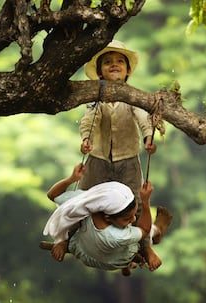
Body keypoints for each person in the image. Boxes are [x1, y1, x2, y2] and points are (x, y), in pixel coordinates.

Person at [79, 40, 161, 265]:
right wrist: (86, 139)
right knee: (82, 197)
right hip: (98, 158)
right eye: (107, 62)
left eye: (118, 62)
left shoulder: (132, 96)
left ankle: (146, 248)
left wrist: (149, 138)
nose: (113, 65)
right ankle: (66, 237)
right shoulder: (95, 97)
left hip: (128, 161)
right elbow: (89, 120)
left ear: (128, 71)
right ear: (99, 72)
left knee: (138, 202)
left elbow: (143, 118)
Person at [40, 163, 172, 274]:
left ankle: (65, 242)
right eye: (127, 219)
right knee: (140, 230)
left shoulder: (88, 205)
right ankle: (156, 231)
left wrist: (71, 179)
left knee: (75, 214)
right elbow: (144, 229)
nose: (132, 220)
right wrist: (145, 201)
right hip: (116, 260)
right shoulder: (118, 236)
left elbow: (52, 195)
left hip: (84, 250)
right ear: (108, 217)